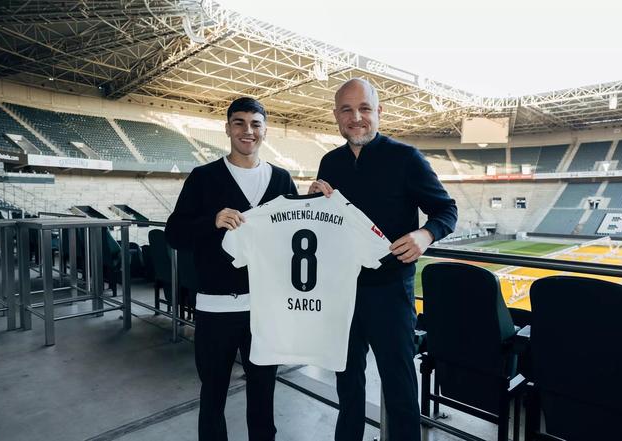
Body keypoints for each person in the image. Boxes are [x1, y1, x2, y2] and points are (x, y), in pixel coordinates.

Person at [309, 78, 457, 441]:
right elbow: (325, 223)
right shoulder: (330, 162)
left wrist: (426, 234)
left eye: (364, 108)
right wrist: (311, 200)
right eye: (347, 110)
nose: (356, 117)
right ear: (336, 115)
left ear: (379, 112)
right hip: (342, 291)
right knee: (347, 385)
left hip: (390, 291)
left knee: (399, 388)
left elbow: (446, 210)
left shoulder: (406, 158)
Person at [165, 97, 297, 441]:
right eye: (239, 123)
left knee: (263, 398)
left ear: (265, 131)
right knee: (212, 397)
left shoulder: (282, 180)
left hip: (264, 311)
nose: (247, 130)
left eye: (255, 124)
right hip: (215, 309)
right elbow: (174, 233)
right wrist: (212, 221)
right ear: (227, 129)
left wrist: (315, 198)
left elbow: (296, 234)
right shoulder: (203, 177)